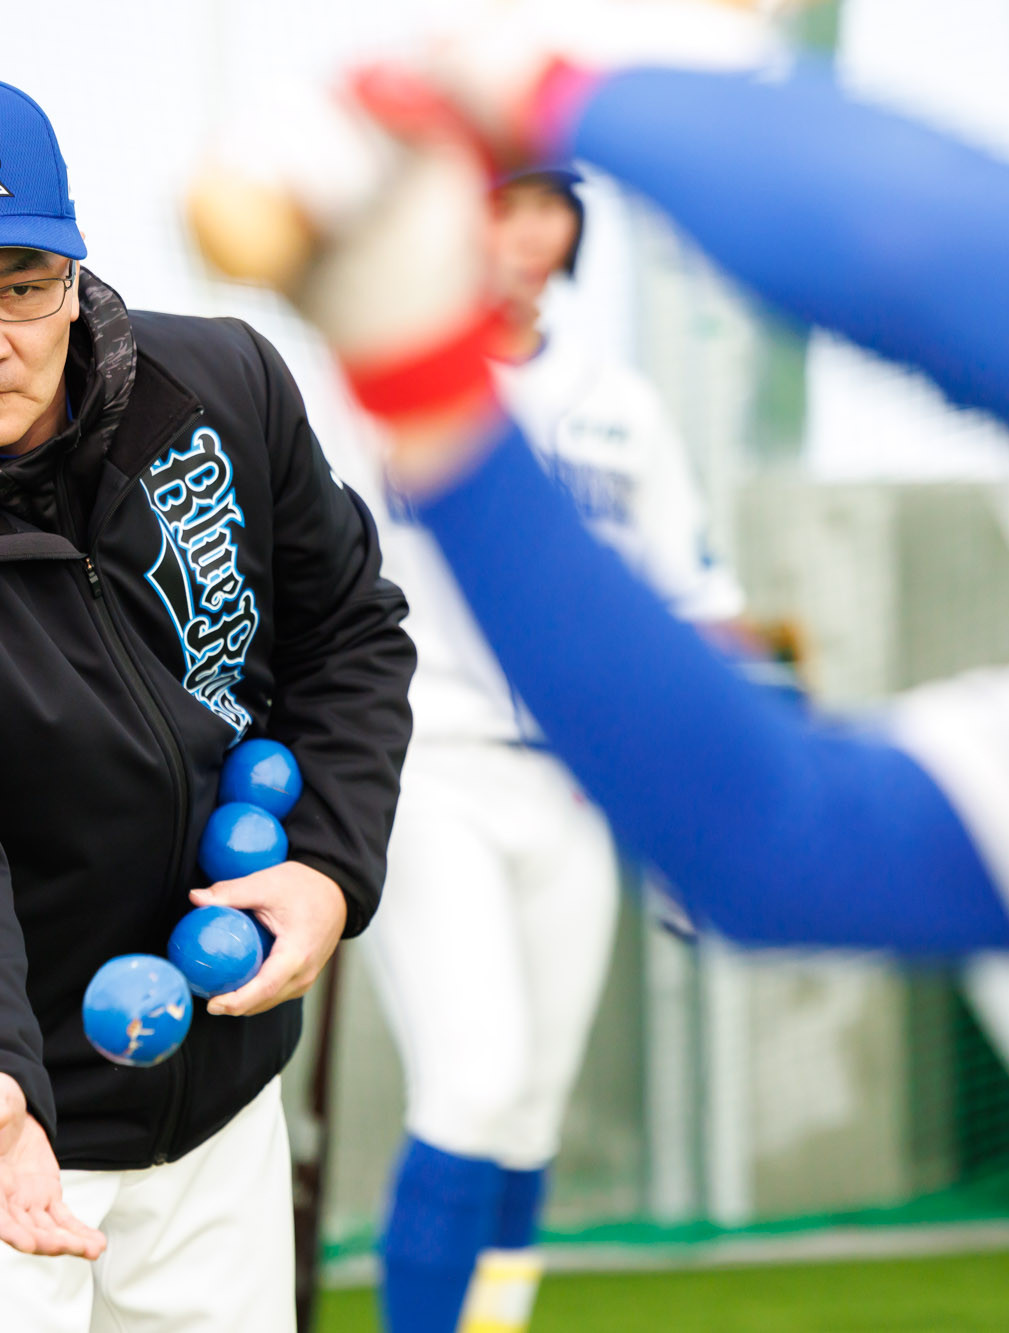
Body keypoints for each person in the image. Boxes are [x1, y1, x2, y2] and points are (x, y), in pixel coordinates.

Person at [210, 0, 1009, 1327]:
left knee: (509, 1091)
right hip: (445, 767)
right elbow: (779, 837)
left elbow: (916, 248)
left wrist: (555, 69)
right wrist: (429, 383)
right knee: (481, 1083)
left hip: (544, 796)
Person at [0, 67, 414, 1333]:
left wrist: (326, 862)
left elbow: (349, 635)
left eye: (22, 289)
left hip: (213, 1096)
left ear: (74, 264)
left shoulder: (222, 386)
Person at [362, 166, 739, 1333]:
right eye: (493, 202)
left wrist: (708, 813)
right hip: (428, 769)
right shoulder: (374, 388)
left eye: (544, 202)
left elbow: (694, 609)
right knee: (471, 1085)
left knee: (527, 1112)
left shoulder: (616, 400)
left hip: (578, 791)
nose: (522, 231)